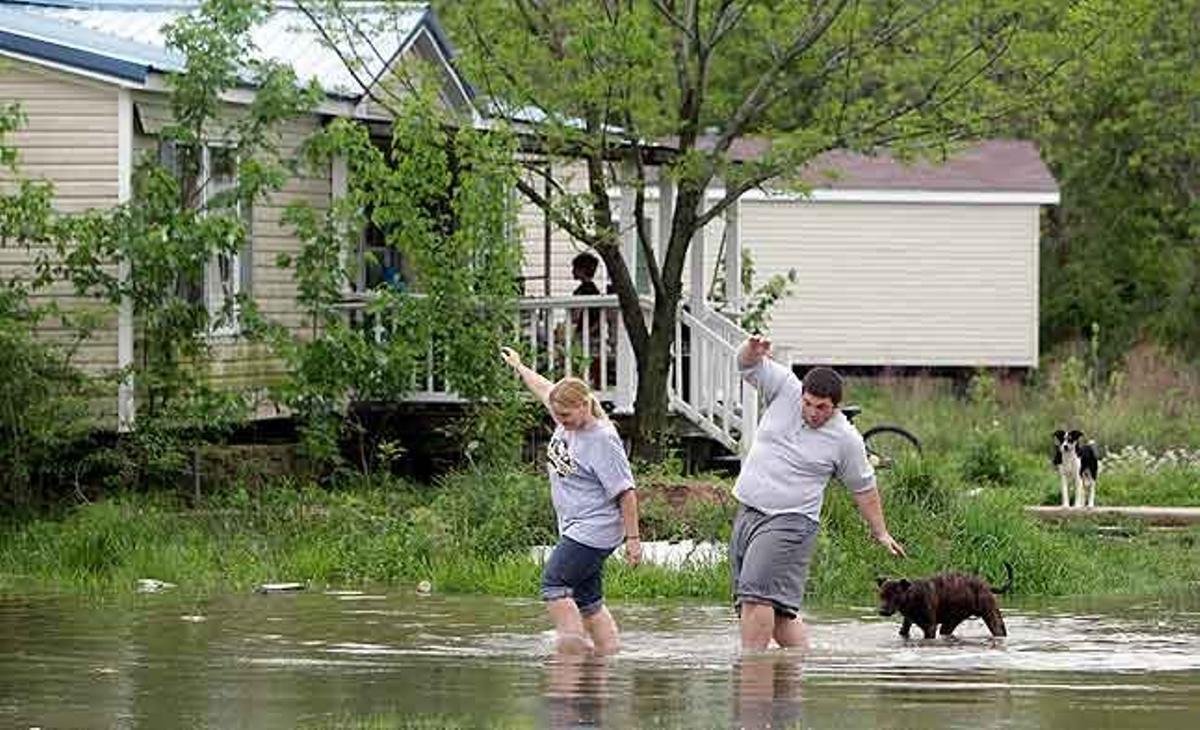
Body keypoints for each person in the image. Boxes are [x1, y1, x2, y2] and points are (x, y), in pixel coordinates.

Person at [732, 334, 906, 651]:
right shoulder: (785, 388)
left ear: (836, 407)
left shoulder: (845, 439)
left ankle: (751, 678)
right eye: (808, 403)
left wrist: (880, 532)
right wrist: (751, 350)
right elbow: (745, 365)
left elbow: (864, 487)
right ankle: (796, 673)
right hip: (749, 510)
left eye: (822, 408)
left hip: (790, 521)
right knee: (779, 613)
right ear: (802, 394)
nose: (813, 412)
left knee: (756, 597)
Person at [500, 346, 642, 655]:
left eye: (565, 415)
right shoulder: (566, 414)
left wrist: (633, 540)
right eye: (556, 414)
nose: (560, 420)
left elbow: (627, 492)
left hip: (594, 528)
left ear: (584, 405)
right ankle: (606, 659)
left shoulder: (602, 439)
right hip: (577, 526)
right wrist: (519, 366)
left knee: (554, 585)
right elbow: (543, 388)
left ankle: (570, 659)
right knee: (588, 601)